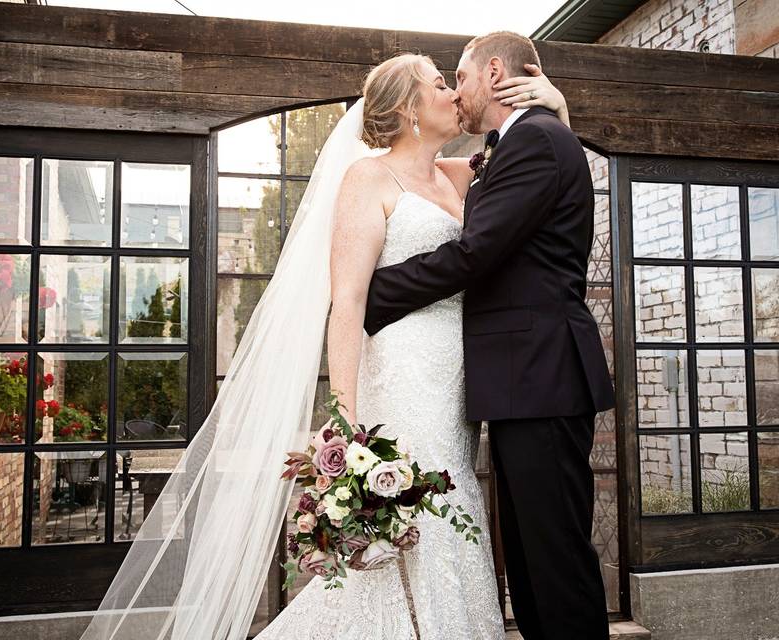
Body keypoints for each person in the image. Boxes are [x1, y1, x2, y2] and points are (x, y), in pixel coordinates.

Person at [78, 43, 571, 640]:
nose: (452, 91)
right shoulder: (367, 178)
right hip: (402, 373)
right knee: (413, 525)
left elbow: (537, 169)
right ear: (412, 108)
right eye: (440, 83)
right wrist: (345, 420)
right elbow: (348, 303)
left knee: (453, 513)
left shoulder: (460, 177)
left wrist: (558, 108)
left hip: (459, 384)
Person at [364, 32, 615, 639]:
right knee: (530, 565)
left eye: (461, 76)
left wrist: (374, 294)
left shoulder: (535, 141)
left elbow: (477, 253)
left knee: (554, 562)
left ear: (494, 71)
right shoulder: (514, 146)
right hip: (520, 383)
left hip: (543, 378)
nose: (456, 91)